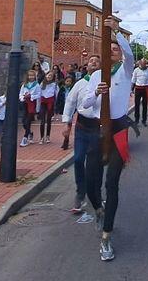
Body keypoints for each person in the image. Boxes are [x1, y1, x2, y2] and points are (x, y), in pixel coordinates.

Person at [79, 18, 135, 261]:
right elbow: (85, 105)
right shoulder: (95, 77)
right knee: (91, 181)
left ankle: (106, 236)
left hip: (119, 130)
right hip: (96, 129)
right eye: (110, 47)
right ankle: (98, 209)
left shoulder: (125, 70)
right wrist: (95, 93)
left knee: (112, 184)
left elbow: (130, 55)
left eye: (116, 48)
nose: (113, 50)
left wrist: (116, 32)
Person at [62, 53, 101, 213]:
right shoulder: (79, 84)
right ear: (87, 65)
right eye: (91, 61)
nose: (94, 63)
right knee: (78, 160)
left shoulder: (104, 84)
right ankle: (80, 192)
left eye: (97, 62)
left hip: (97, 128)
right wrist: (66, 124)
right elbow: (70, 103)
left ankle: (96, 195)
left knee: (96, 164)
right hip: (82, 127)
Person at [37, 70, 58, 144]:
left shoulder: (54, 85)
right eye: (48, 75)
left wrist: (55, 105)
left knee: (48, 120)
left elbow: (56, 94)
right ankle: (42, 137)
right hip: (43, 102)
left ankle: (48, 136)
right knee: (42, 121)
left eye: (51, 76)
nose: (49, 77)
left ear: (53, 78)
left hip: (50, 102)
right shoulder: (42, 84)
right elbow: (39, 94)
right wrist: (38, 106)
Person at [20, 68, 40, 146]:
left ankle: (25, 138)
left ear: (34, 76)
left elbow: (38, 94)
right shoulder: (24, 85)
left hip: (32, 104)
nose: (31, 77)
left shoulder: (36, 85)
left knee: (28, 121)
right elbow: (20, 94)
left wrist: (31, 96)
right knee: (23, 122)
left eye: (32, 75)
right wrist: (22, 97)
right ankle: (30, 133)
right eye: (29, 75)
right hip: (25, 103)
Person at [131, 57, 148, 126]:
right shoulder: (136, 70)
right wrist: (130, 90)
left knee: (144, 105)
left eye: (145, 63)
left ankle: (144, 120)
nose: (144, 65)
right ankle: (136, 120)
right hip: (138, 88)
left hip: (146, 89)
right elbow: (133, 80)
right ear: (140, 63)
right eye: (143, 63)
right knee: (137, 105)